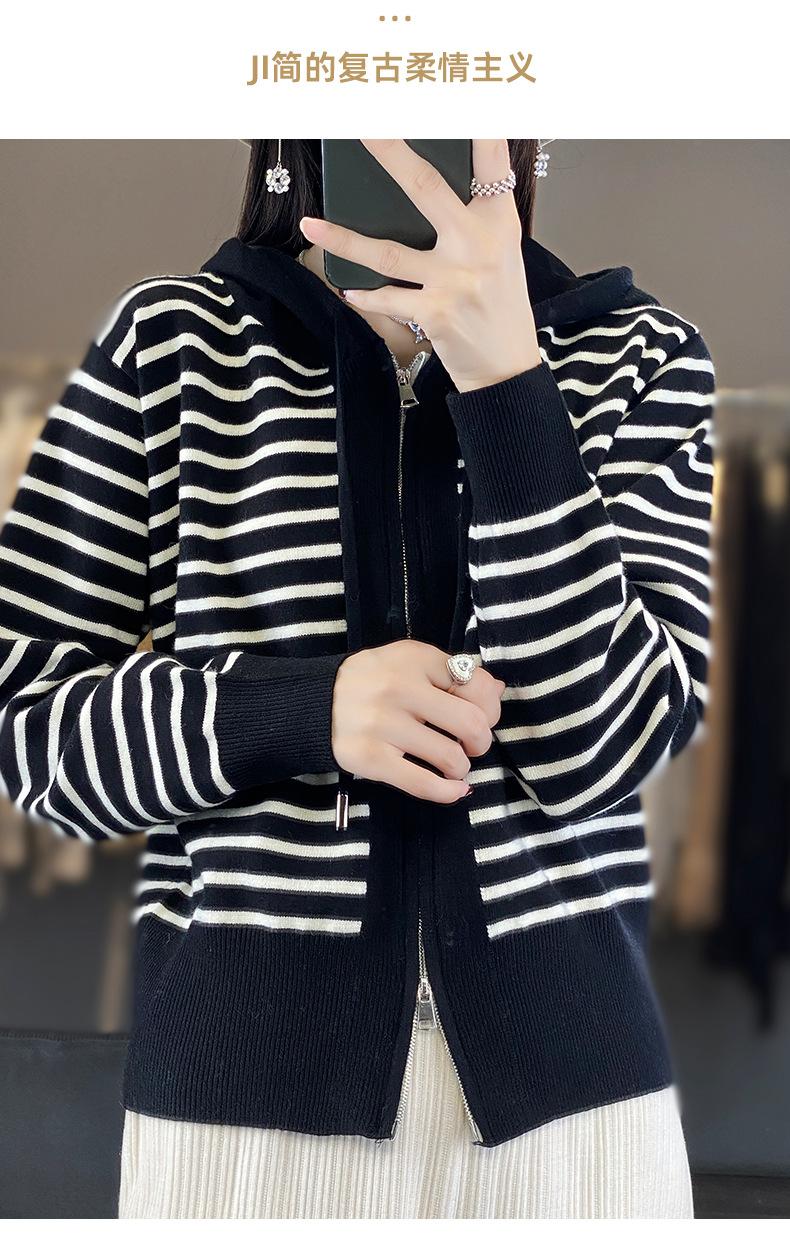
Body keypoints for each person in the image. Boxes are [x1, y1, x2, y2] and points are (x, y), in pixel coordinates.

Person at [0, 139, 714, 1218]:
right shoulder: (171, 346)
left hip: (578, 1129)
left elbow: (605, 748)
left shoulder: (640, 356)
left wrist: (507, 382)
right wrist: (302, 711)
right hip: (242, 1130)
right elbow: (30, 725)